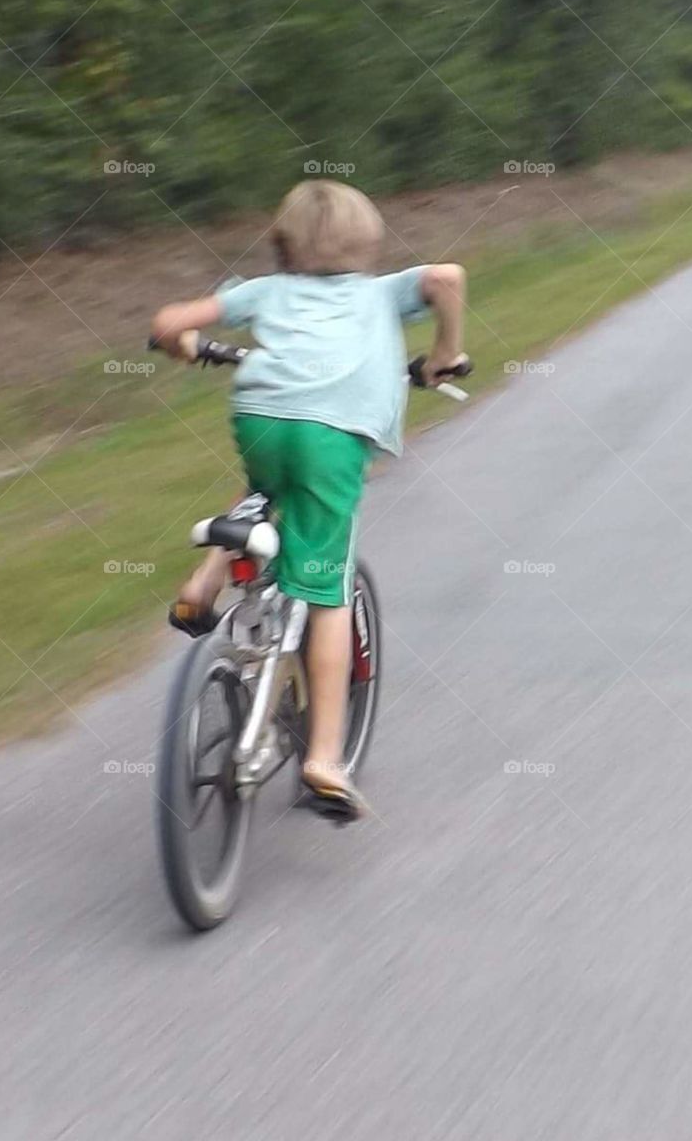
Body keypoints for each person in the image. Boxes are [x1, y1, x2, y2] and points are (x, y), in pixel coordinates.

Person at [150, 179, 467, 820]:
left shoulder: (264, 291)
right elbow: (447, 277)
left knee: (265, 486)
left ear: (283, 244)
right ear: (367, 241)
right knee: (327, 596)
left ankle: (203, 586)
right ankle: (324, 759)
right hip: (334, 439)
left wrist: (183, 347)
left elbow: (169, 322)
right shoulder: (380, 294)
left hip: (260, 421)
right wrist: (443, 353)